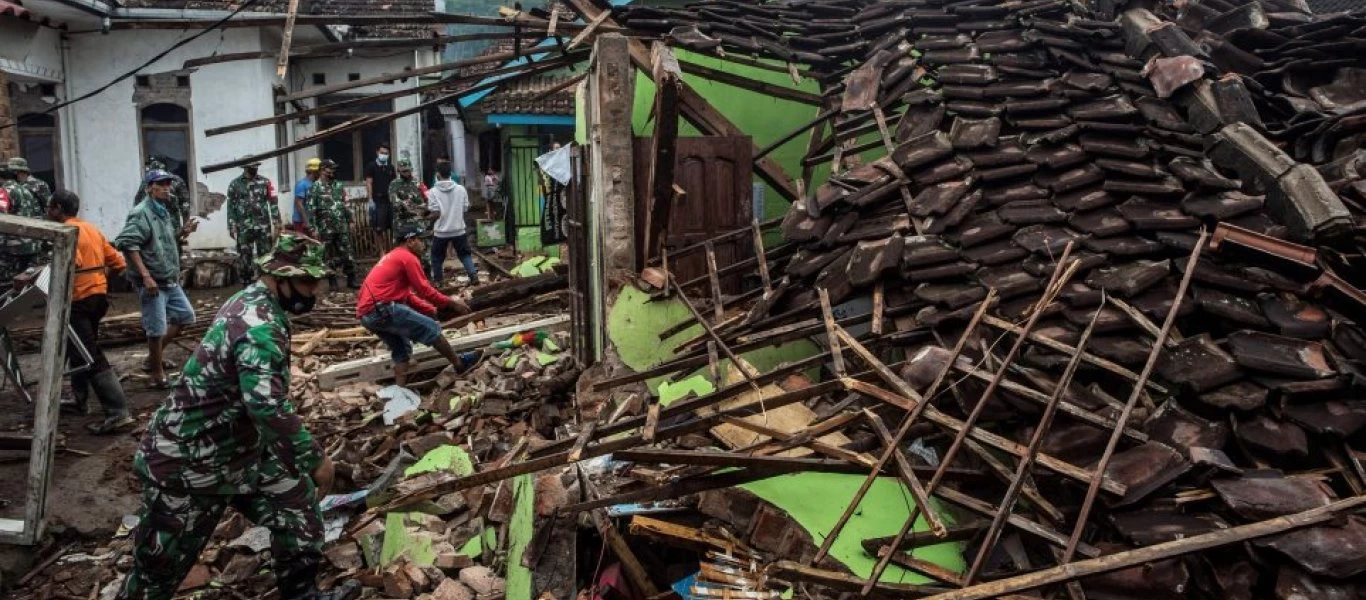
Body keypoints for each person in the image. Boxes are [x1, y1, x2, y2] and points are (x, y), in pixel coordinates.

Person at [117, 233, 353, 600]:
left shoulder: (262, 305)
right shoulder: (258, 323)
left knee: (298, 506)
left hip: (239, 451)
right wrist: (315, 456)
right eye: (307, 282)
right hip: (190, 462)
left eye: (316, 281)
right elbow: (266, 405)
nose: (315, 292)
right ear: (280, 277)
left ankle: (301, 594)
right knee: (157, 575)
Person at [47, 190, 135, 434]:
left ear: (58, 208)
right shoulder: (91, 229)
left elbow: (70, 261)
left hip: (79, 300)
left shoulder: (66, 232)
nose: (47, 212)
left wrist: (40, 274)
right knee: (79, 350)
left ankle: (118, 412)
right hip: (97, 298)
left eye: (50, 208)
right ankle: (79, 400)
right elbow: (117, 262)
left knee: (89, 353)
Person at [357, 224, 479, 386]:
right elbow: (424, 290)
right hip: (383, 308)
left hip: (368, 315)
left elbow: (408, 296)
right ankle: (460, 365)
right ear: (410, 241)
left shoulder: (393, 256)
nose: (423, 245)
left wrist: (432, 310)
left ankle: (399, 391)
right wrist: (451, 303)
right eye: (420, 240)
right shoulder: (407, 257)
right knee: (432, 329)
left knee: (402, 351)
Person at [115, 169, 199, 389]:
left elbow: (164, 239)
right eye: (161, 184)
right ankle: (157, 375)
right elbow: (127, 242)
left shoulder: (163, 210)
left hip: (168, 278)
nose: (166, 188)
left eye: (168, 184)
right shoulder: (140, 212)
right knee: (156, 328)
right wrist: (146, 276)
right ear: (150, 187)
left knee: (185, 316)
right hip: (153, 282)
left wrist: (182, 232)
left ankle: (152, 359)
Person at [306, 159, 358, 289]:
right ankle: (332, 281)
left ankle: (351, 279)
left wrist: (351, 220)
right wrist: (313, 229)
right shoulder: (314, 188)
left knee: (347, 253)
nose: (333, 171)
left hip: (341, 226)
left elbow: (346, 204)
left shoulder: (338, 186)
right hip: (325, 228)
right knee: (328, 255)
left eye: (334, 169)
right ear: (323, 170)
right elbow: (311, 210)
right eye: (330, 169)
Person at [227, 161, 281, 283]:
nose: (255, 169)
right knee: (245, 255)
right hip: (244, 226)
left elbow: (273, 201)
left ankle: (266, 280)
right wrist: (231, 225)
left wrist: (276, 221)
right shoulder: (235, 184)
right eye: (252, 167)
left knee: (266, 254)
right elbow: (231, 206)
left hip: (263, 225)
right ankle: (247, 282)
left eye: (256, 167)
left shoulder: (266, 182)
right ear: (245, 167)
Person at [426, 164, 477, 284]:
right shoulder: (461, 189)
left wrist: (427, 220)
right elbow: (465, 208)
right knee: (465, 254)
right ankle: (473, 276)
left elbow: (435, 212)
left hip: (441, 232)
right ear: (450, 174)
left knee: (437, 257)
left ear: (438, 174)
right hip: (458, 229)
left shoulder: (433, 192)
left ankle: (439, 281)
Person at [0, 162, 42, 283]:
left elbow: (2, 218)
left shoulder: (4, 191)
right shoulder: (26, 190)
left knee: (8, 284)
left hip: (11, 250)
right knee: (25, 283)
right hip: (31, 246)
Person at [133, 156, 192, 232]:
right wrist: (185, 225)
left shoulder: (148, 181)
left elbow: (137, 203)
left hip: (158, 223)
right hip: (163, 224)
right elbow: (185, 205)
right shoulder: (176, 180)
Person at [388, 158, 426, 237]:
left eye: (408, 170)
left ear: (411, 169)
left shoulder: (417, 183)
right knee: (401, 248)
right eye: (404, 171)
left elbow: (424, 200)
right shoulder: (394, 184)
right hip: (401, 223)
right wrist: (406, 205)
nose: (406, 173)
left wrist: (419, 206)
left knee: (419, 247)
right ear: (399, 171)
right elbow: (394, 201)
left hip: (417, 223)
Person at [364, 144, 396, 234]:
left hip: (390, 200)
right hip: (378, 201)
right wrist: (370, 199)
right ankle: (381, 249)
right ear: (377, 152)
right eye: (382, 153)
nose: (384, 155)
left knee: (392, 226)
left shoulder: (390, 167)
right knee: (379, 229)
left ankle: (391, 247)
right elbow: (369, 183)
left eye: (386, 153)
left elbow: (394, 184)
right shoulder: (371, 166)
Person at [293, 158, 321, 233]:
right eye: (319, 171)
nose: (320, 173)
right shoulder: (302, 184)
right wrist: (306, 222)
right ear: (314, 171)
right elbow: (299, 204)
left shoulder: (314, 184)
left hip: (311, 221)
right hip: (301, 223)